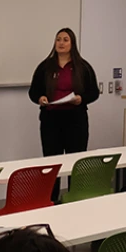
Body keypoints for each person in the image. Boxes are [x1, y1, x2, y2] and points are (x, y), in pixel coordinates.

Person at [28, 28, 100, 156]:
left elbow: (94, 92)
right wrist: (40, 98)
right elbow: (33, 92)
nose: (61, 43)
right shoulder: (45, 66)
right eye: (58, 40)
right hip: (51, 121)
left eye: (65, 40)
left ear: (72, 44)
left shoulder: (83, 67)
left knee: (75, 161)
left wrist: (81, 98)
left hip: (76, 121)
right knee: (52, 162)